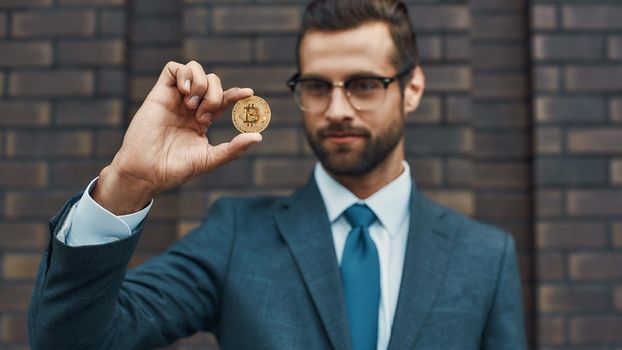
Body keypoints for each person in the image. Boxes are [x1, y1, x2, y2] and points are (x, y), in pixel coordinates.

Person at [28, 0, 526, 349]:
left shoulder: (485, 256)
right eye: (315, 86)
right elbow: (69, 341)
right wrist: (128, 183)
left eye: (364, 85)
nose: (336, 109)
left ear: (412, 88)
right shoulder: (237, 236)